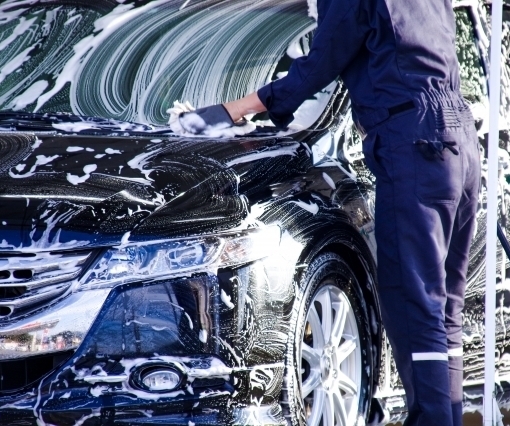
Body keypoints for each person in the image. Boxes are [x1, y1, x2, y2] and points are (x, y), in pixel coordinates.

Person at [171, 0, 480, 425]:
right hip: (457, 139)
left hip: (414, 144)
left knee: (415, 301)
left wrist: (232, 111)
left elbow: (320, 64)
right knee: (442, 307)